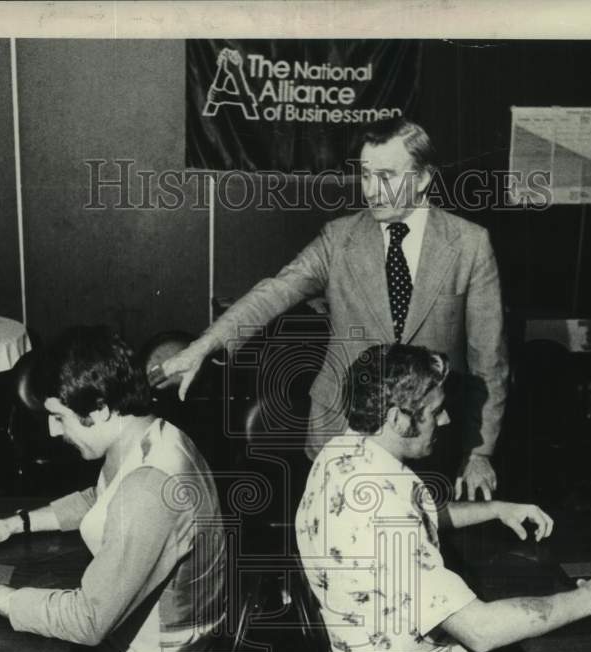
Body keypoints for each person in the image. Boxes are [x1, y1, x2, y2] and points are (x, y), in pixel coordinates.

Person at [158, 117, 508, 500]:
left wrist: (480, 451)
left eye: (386, 176)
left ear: (423, 178)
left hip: (427, 440)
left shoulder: (471, 246)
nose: (372, 191)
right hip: (340, 432)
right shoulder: (339, 239)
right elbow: (275, 291)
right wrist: (205, 345)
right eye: (365, 175)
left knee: (418, 548)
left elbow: (488, 361)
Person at [294, 344, 591, 652]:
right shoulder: (384, 512)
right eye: (435, 412)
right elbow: (481, 630)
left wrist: (496, 509)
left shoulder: (343, 453)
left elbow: (418, 513)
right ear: (396, 419)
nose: (446, 421)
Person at [0, 326, 227, 652]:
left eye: (59, 417)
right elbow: (101, 498)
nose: (52, 430)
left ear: (98, 410)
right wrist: (12, 525)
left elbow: (87, 619)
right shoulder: (153, 436)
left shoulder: (148, 490)